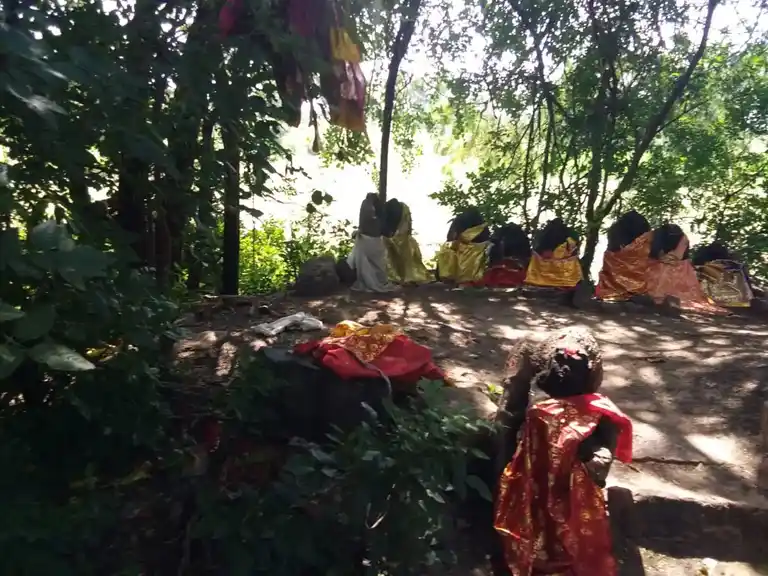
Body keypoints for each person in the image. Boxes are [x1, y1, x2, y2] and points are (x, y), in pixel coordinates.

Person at [493, 327, 633, 576]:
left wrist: (598, 457)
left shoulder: (591, 378)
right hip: (536, 403)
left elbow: (605, 424)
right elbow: (510, 415)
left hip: (571, 409)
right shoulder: (528, 356)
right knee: (509, 427)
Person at [348, 193, 395, 292]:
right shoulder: (375, 212)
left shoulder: (368, 208)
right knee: (377, 265)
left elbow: (367, 226)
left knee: (371, 265)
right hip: (375, 241)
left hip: (369, 241)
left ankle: (373, 281)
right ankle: (380, 281)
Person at [382, 198, 430, 284]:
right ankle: (408, 278)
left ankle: (400, 278)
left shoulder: (386, 240)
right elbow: (408, 225)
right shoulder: (404, 208)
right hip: (405, 239)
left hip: (395, 239)